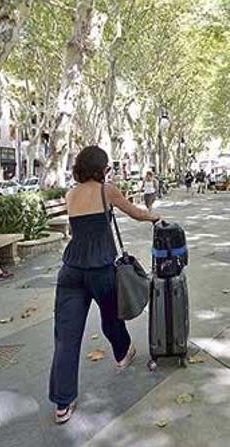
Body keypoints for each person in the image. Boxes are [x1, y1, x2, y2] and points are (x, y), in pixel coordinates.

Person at [49, 145, 160, 424]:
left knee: (66, 336)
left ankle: (63, 404)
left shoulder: (70, 193)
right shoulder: (105, 190)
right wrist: (154, 217)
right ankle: (123, 354)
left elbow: (78, 232)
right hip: (100, 269)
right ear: (102, 168)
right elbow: (135, 213)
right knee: (112, 317)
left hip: (71, 271)